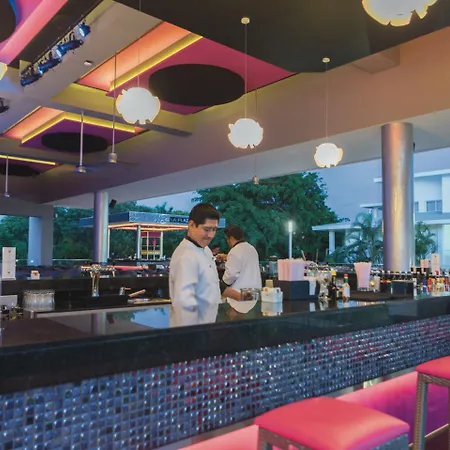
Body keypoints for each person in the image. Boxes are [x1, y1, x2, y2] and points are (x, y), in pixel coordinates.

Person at [169, 203, 222, 326]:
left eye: (214, 230)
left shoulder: (206, 250)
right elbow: (184, 303)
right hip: (194, 329)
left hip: (210, 325)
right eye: (206, 230)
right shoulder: (186, 256)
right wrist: (193, 334)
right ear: (191, 225)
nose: (211, 235)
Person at [220, 225, 262, 309]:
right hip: (255, 292)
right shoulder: (251, 248)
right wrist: (227, 257)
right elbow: (244, 261)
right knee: (250, 313)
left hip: (239, 294)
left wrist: (222, 285)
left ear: (231, 238)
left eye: (227, 239)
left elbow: (231, 275)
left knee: (237, 314)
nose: (227, 241)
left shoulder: (235, 251)